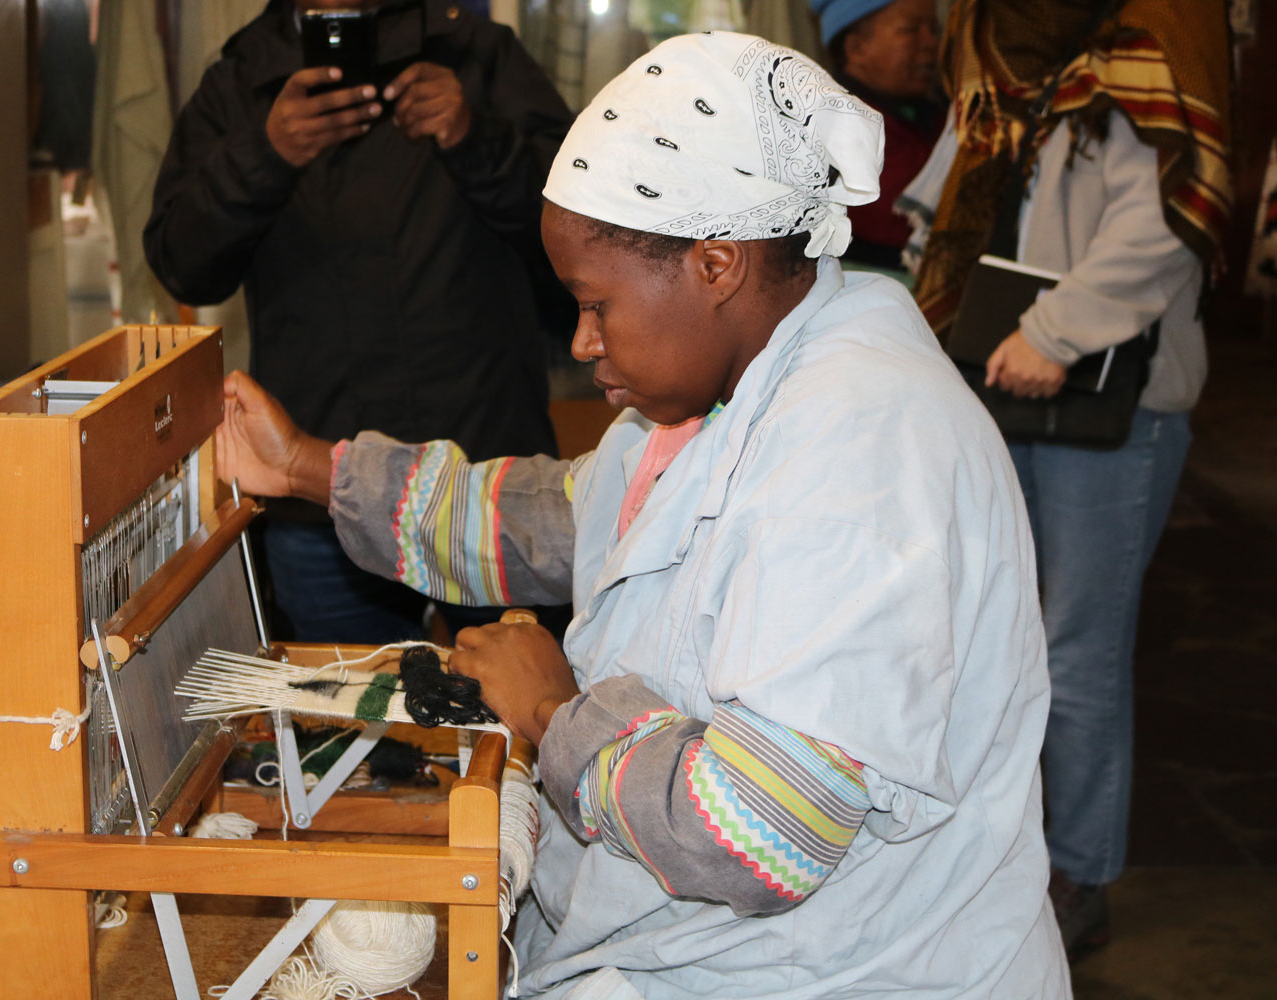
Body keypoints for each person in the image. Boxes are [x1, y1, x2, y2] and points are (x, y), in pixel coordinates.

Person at [219, 32, 1070, 998]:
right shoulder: (732, 384)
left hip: (832, 972)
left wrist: (550, 711)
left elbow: (761, 835)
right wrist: (307, 469)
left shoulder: (864, 454)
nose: (582, 340)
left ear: (715, 265)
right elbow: (560, 518)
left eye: (595, 304)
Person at [909, 0, 1232, 962]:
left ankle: (1078, 875)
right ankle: (992, 851)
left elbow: (1167, 221)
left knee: (1078, 653)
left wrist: (1052, 334)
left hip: (1110, 402)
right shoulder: (996, 65)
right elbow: (942, 192)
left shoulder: (1148, 51)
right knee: (986, 631)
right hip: (992, 383)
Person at [143, 0, 573, 642]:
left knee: (518, 723)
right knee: (346, 722)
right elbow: (183, 263)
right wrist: (265, 153)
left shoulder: (478, 54)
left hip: (489, 478)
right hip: (313, 486)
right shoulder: (241, 82)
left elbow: (580, 237)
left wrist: (474, 136)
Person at [810, 0, 944, 270]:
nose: (931, 43)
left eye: (933, 29)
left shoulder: (935, 116)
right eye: (910, 30)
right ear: (857, 48)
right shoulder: (834, 125)